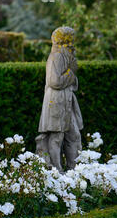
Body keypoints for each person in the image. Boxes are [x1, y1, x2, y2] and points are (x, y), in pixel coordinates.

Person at [36, 26, 83, 172]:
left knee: (74, 136)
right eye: (71, 39)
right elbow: (54, 82)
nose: (73, 43)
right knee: (56, 136)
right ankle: (56, 171)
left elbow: (73, 83)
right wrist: (70, 72)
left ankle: (74, 170)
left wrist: (71, 73)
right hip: (56, 102)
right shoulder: (56, 56)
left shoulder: (67, 56)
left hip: (67, 101)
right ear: (65, 40)